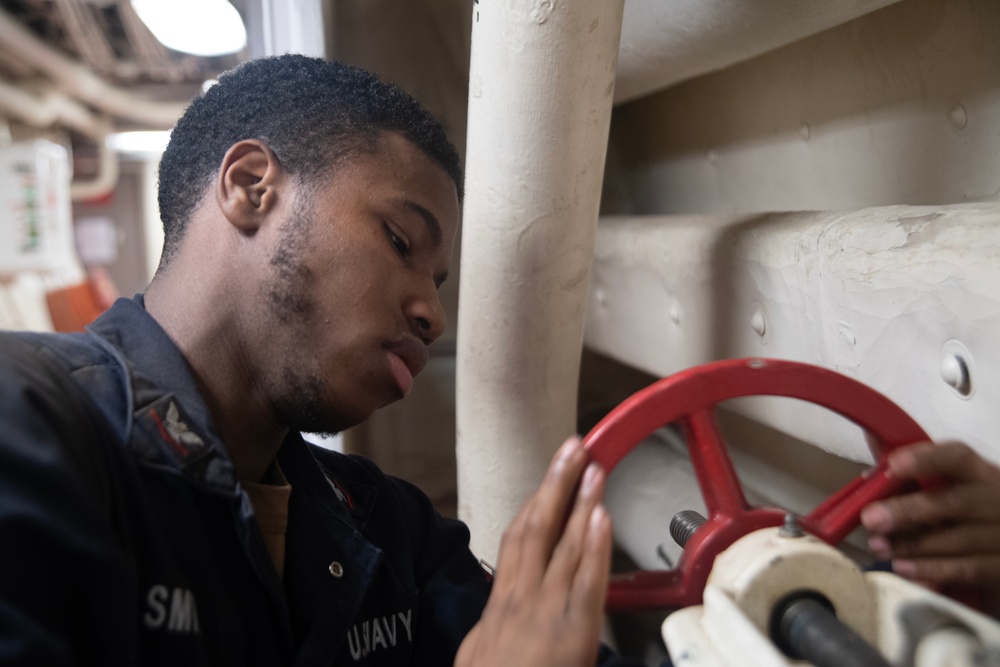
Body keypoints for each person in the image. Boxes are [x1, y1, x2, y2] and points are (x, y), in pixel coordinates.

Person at [0, 54, 617, 666]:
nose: (434, 315)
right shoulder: (31, 423)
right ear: (250, 187)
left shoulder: (387, 526)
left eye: (438, 282)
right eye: (401, 241)